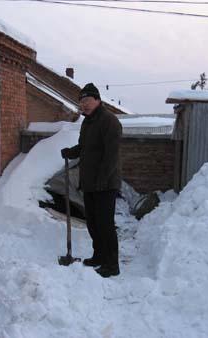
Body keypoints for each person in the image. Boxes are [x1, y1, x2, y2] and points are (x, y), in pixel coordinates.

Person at [61, 83, 122, 278]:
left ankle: (112, 264)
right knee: (93, 224)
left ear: (97, 100)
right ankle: (99, 256)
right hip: (89, 183)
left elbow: (111, 156)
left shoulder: (109, 121)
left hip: (105, 184)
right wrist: (71, 152)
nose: (84, 105)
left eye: (87, 100)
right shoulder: (87, 122)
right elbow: (84, 146)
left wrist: (103, 180)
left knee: (105, 224)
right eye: (81, 102)